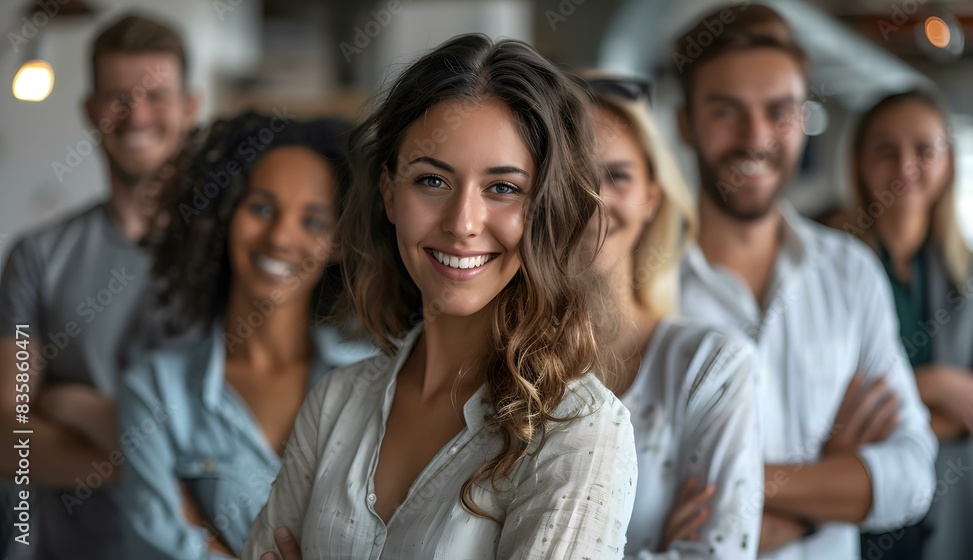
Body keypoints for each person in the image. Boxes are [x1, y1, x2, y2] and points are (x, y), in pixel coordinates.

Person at [241, 34, 637, 560]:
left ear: (547, 208)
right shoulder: (335, 402)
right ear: (388, 192)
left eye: (503, 188)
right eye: (432, 179)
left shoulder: (580, 429)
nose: (461, 223)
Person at [672, 5, 937, 559]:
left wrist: (755, 488)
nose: (756, 137)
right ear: (685, 123)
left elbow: (912, 475)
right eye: (726, 111)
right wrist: (828, 481)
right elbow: (640, 499)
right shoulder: (641, 285)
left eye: (779, 112)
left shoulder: (850, 272)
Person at [117, 111, 377, 559]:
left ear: (339, 241)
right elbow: (159, 543)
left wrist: (202, 528)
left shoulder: (378, 377)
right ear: (225, 216)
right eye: (261, 208)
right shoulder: (155, 389)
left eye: (313, 221)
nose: (280, 236)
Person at [0, 14, 198, 559]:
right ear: (90, 110)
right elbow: (7, 432)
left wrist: (83, 414)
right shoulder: (37, 256)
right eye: (117, 96)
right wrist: (159, 468)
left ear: (190, 108)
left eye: (156, 95)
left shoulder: (231, 256)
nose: (136, 114)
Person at [579, 74, 762, 559]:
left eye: (616, 175)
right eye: (567, 174)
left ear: (651, 198)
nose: (591, 196)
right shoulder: (498, 360)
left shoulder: (713, 364)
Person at [849, 89, 973, 560]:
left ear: (949, 162)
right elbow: (831, 411)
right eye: (886, 150)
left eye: (924, 149)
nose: (905, 166)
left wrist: (890, 423)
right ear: (858, 160)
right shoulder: (831, 264)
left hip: (955, 508)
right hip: (856, 506)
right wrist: (930, 383)